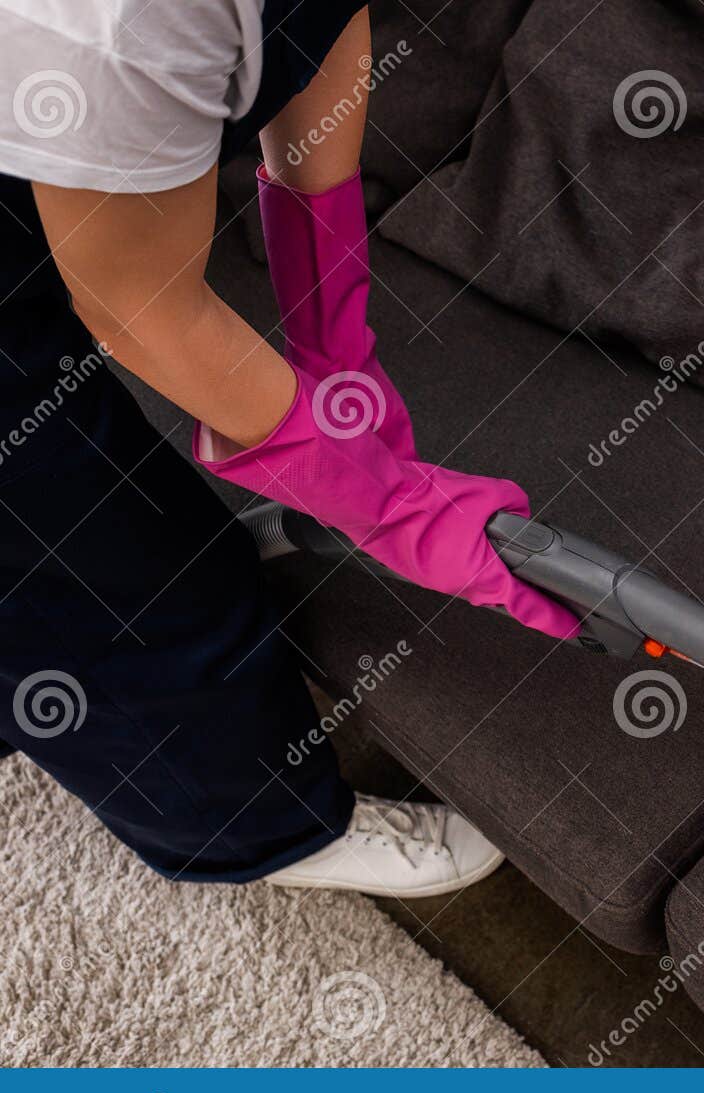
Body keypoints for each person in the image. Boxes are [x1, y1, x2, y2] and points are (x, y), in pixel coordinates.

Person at [0, 3, 574, 897]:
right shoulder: (110, 22)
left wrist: (332, 337)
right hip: (74, 60)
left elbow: (313, 31)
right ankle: (253, 826)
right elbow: (143, 313)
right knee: (105, 564)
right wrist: (388, 505)